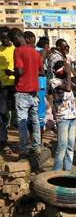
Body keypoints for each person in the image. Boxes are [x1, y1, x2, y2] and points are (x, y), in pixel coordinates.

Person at [8, 28, 42, 158]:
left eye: (12, 40)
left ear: (16, 37)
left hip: (22, 91)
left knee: (22, 121)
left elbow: (20, 72)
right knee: (35, 121)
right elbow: (40, 71)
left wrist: (11, 73)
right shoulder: (35, 52)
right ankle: (37, 147)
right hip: (34, 91)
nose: (12, 43)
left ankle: (23, 149)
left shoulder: (18, 51)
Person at [50, 57, 76, 171]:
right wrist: (69, 74)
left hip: (72, 116)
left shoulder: (67, 80)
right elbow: (68, 89)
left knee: (70, 146)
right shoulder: (54, 81)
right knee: (62, 146)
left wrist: (74, 73)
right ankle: (56, 172)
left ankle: (68, 171)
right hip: (63, 118)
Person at [0, 26, 16, 149]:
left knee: (18, 115)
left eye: (6, 37)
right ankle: (3, 140)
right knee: (3, 113)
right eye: (2, 38)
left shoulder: (16, 49)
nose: (4, 40)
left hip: (16, 86)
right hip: (3, 86)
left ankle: (22, 142)